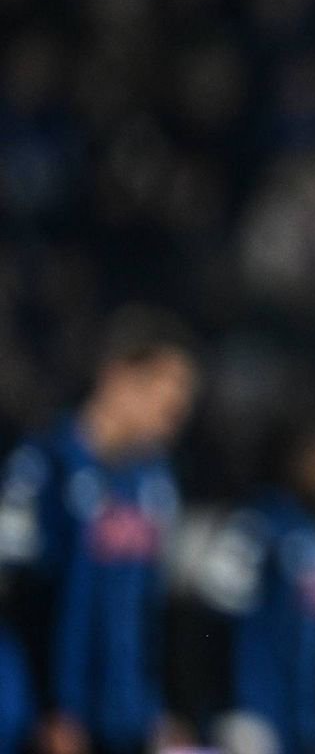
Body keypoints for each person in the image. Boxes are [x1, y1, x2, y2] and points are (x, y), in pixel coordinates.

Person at [0, 305, 199, 754]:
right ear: (119, 377)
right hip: (41, 722)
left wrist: (160, 709)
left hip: (123, 720)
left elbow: (152, 610)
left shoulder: (154, 483)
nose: (179, 410)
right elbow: (22, 599)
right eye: (169, 393)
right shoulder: (42, 468)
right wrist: (51, 708)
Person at [198, 409, 315, 754]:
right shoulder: (253, 527)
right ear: (302, 455)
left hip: (311, 733)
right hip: (254, 729)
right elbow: (211, 626)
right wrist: (228, 710)